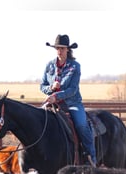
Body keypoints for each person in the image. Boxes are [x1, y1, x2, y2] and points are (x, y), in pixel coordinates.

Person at [40, 34, 97, 166]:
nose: (59, 51)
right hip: (51, 102)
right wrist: (51, 88)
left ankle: (90, 158)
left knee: (81, 125)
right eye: (57, 48)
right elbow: (42, 86)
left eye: (62, 48)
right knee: (38, 121)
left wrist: (57, 96)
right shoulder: (49, 66)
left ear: (68, 50)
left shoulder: (75, 66)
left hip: (72, 103)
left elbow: (73, 89)